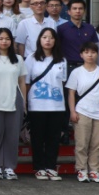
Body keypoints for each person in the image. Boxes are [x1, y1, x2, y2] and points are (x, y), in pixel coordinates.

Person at [67, 41, 99, 183]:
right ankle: (82, 170)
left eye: (93, 52)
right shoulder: (76, 72)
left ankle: (94, 171)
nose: (90, 55)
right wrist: (72, 111)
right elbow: (71, 93)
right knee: (82, 143)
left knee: (97, 144)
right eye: (86, 52)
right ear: (81, 55)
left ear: (97, 54)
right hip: (82, 111)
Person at [24, 27, 66, 181]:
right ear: (39, 40)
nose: (48, 40)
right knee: (37, 137)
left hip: (57, 106)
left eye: (51, 37)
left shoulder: (62, 59)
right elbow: (26, 82)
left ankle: (51, 167)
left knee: (53, 138)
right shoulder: (31, 58)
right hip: (37, 105)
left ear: (56, 41)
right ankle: (39, 167)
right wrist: (25, 103)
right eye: (44, 37)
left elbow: (63, 82)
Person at [0, 28, 26, 180]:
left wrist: (24, 102)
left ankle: (9, 167)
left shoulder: (18, 59)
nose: (4, 41)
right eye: (1, 38)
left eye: (7, 39)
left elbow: (22, 81)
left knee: (12, 137)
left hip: (14, 100)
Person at [56, 0, 96, 70]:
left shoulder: (90, 28)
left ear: (84, 11)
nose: (78, 11)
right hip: (68, 66)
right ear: (69, 12)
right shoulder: (61, 29)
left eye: (80, 9)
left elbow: (95, 48)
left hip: (87, 66)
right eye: (74, 8)